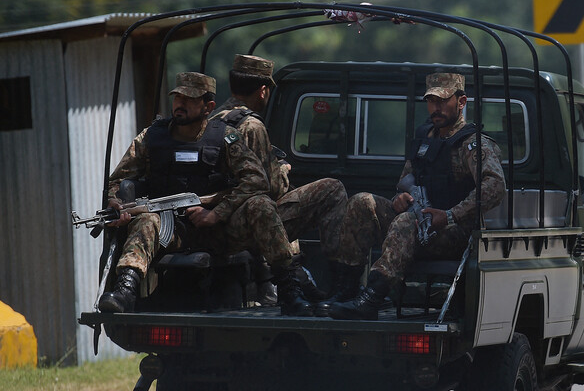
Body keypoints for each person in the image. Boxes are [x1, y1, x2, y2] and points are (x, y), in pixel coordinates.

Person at [97, 72, 314, 316]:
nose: (180, 104)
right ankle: (125, 289)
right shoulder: (151, 138)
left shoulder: (226, 137)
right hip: (173, 230)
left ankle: (289, 288)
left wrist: (216, 213)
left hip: (219, 230)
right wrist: (115, 203)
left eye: (189, 99)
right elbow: (117, 179)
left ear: (208, 106)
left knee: (262, 204)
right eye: (177, 97)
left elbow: (256, 179)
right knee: (147, 220)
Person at [325, 72, 506, 320]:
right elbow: (406, 180)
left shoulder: (472, 144)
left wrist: (451, 215)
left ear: (461, 102)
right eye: (432, 101)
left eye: (443, 101)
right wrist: (400, 198)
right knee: (361, 202)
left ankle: (372, 298)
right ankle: (345, 290)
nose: (436, 108)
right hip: (417, 222)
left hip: (452, 233)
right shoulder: (425, 138)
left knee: (407, 222)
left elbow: (495, 186)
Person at [211, 54, 348, 304]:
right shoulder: (251, 126)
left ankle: (297, 277)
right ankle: (342, 284)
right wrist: (283, 170)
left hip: (220, 221)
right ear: (263, 91)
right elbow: (269, 188)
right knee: (333, 189)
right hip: (248, 224)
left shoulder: (214, 119)